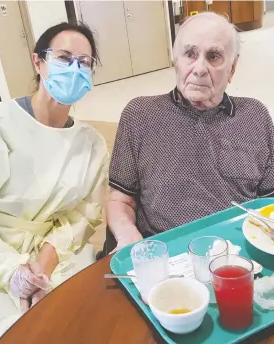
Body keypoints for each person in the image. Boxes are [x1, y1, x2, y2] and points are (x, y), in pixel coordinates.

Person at [106, 12, 274, 252]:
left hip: (238, 254)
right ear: (176, 59)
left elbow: (270, 203)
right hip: (164, 252)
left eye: (214, 56)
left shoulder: (255, 116)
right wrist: (128, 234)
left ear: (232, 69)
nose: (199, 69)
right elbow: (120, 199)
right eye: (190, 54)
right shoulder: (140, 115)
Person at [0, 22, 108, 340]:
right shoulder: (1, 123)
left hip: (59, 258)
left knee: (83, 325)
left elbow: (83, 216)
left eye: (84, 62)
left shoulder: (92, 144)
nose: (74, 68)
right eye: (63, 57)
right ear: (38, 62)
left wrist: (42, 268)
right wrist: (13, 273)